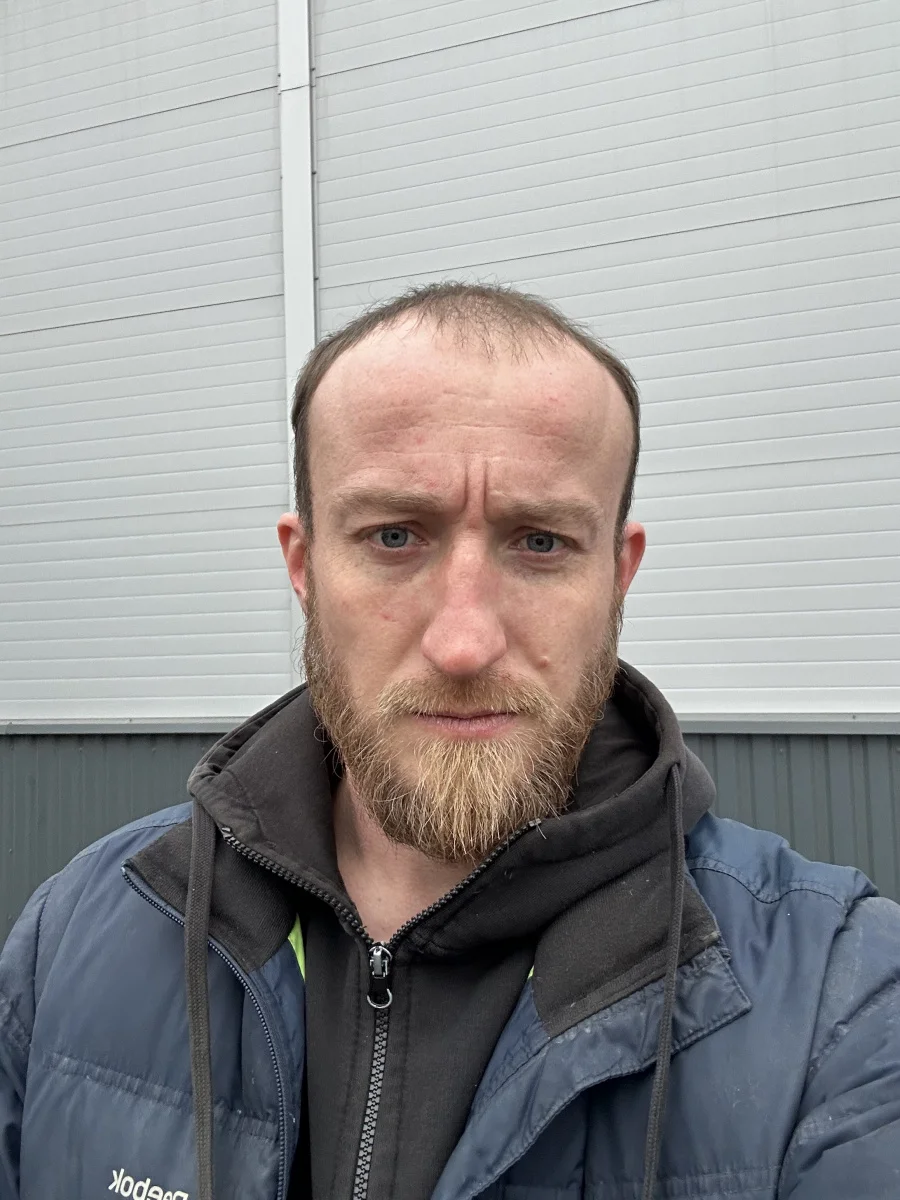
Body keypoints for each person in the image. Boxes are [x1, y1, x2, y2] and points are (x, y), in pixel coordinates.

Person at [1, 283, 898, 1200]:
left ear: (617, 575)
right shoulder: (72, 938)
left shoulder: (841, 1003)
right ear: (304, 567)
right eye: (394, 536)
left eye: (540, 543)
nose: (464, 643)